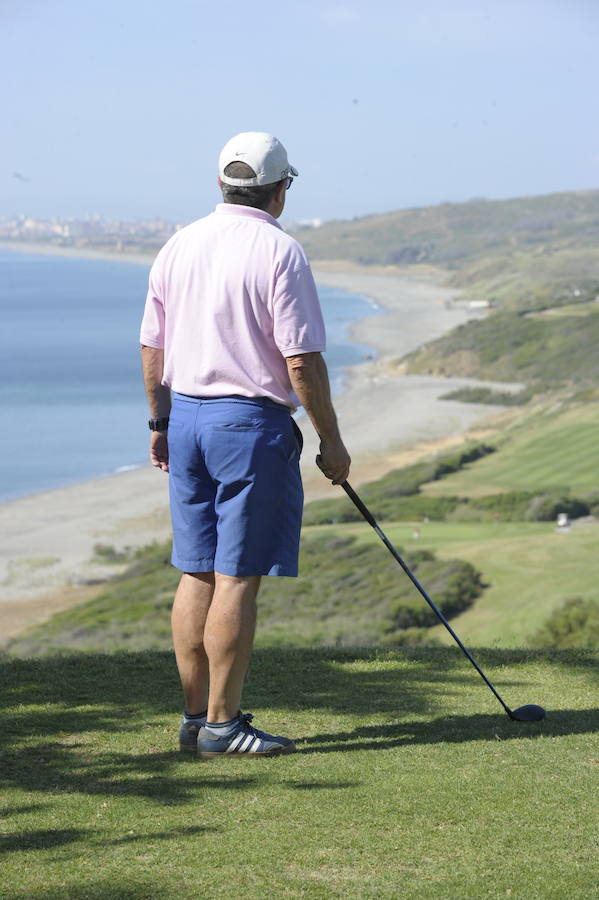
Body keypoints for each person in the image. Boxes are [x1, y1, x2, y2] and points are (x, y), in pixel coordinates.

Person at [140, 131, 350, 758]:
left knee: (196, 570)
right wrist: (332, 443)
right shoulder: (281, 251)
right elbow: (302, 362)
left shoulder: (178, 244)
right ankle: (224, 726)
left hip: (188, 422)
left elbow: (153, 348)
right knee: (237, 577)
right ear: (281, 190)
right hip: (249, 427)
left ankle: (194, 718)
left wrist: (159, 422)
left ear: (221, 183)